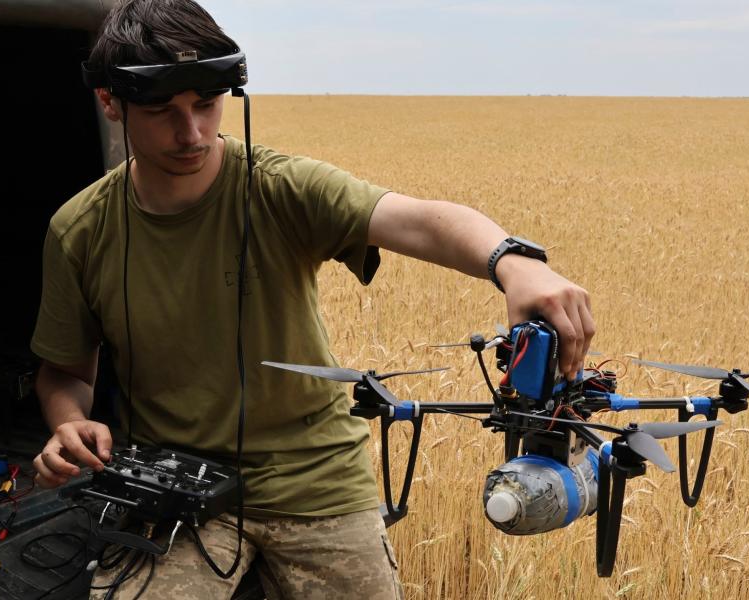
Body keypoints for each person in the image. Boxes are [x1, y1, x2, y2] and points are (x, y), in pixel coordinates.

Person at [29, 1, 595, 598]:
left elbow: (416, 221)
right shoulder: (80, 230)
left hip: (317, 478)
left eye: (206, 105)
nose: (192, 132)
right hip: (180, 486)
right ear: (110, 103)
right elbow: (65, 372)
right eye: (161, 111)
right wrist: (70, 424)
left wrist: (513, 262)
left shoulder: (280, 188)